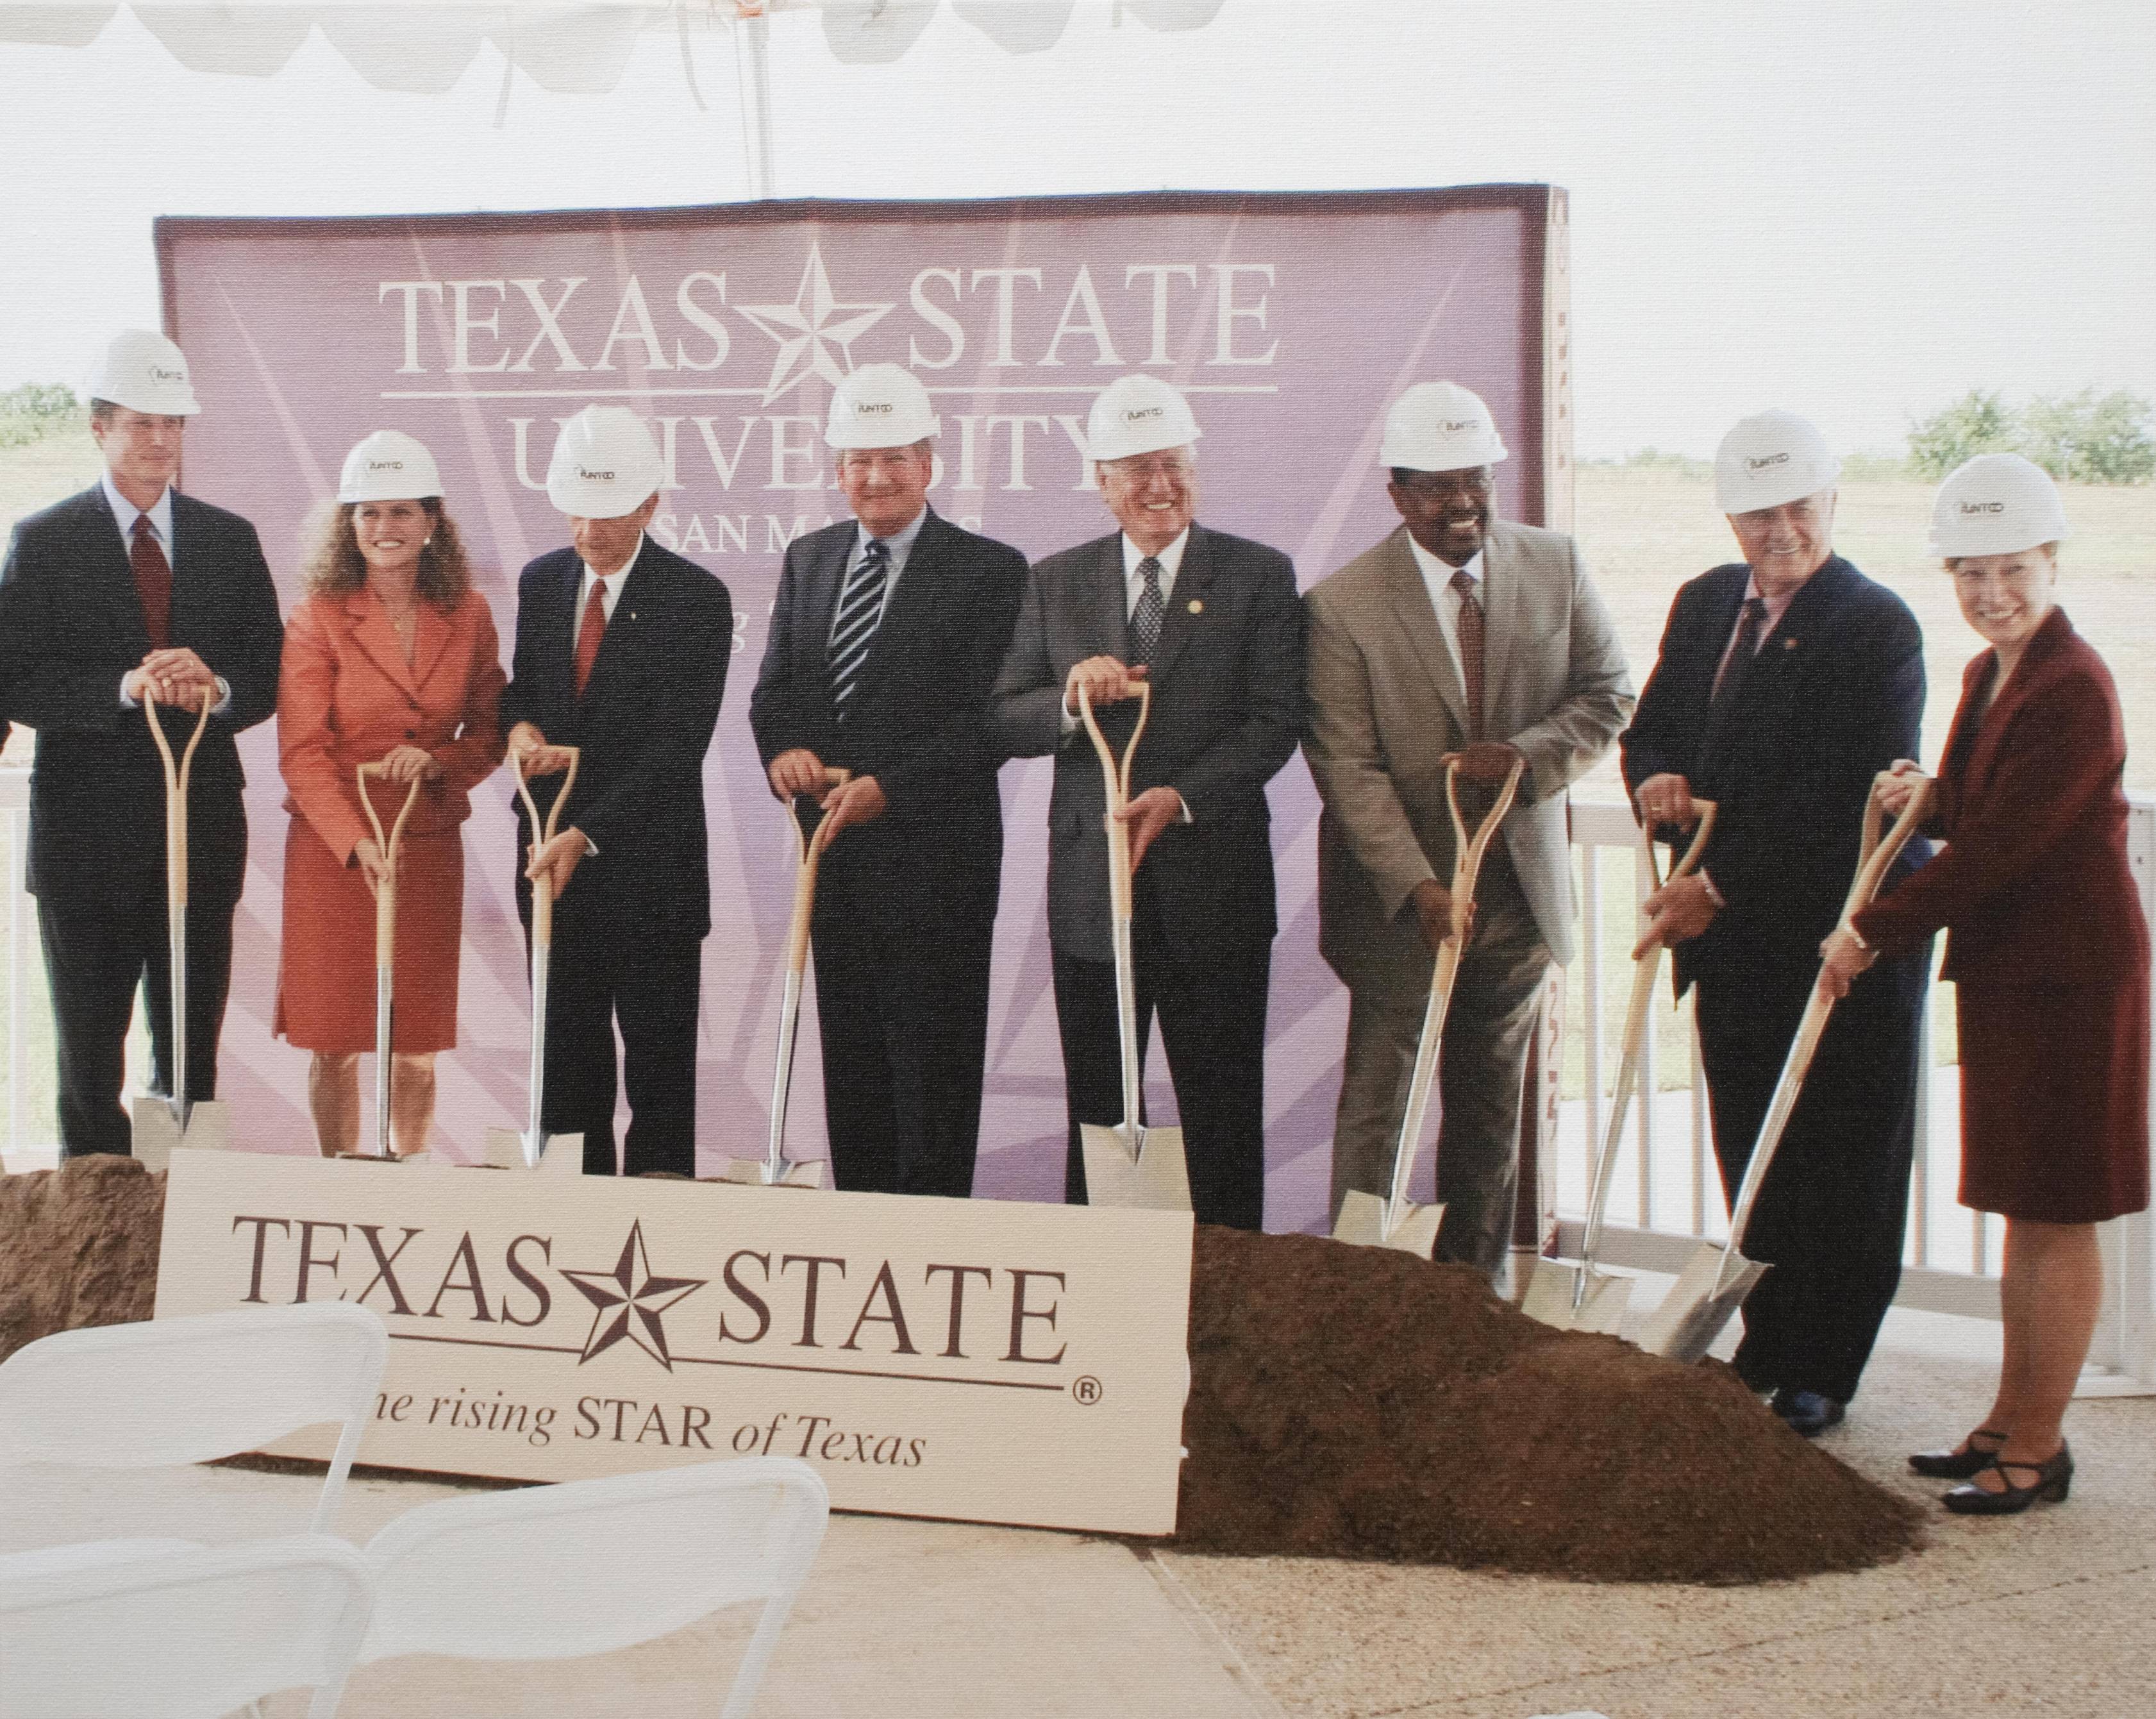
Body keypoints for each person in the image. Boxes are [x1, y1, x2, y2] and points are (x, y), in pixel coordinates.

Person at [1819, 455, 2146, 1509]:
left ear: (2052, 561)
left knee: (2056, 1208)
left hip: (2072, 977)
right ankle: (2007, 1420)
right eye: (1966, 571)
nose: (1987, 592)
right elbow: (1977, 799)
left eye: (2009, 567)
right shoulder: (1986, 673)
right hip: (2012, 974)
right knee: (2019, 1201)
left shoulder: (2073, 685)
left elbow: (2003, 843)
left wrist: (1867, 932)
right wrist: (1929, 791)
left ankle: (2038, 1446)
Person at [1624, 408, 1929, 1437]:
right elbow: (1653, 726)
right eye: (1756, 513)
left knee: (1840, 1153)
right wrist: (1654, 775)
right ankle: (1768, 1337)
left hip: (1831, 936)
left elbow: (1845, 795)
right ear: (1728, 517)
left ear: (1831, 501)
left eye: (1797, 506)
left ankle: (1823, 1368)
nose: (1778, 531)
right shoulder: (1706, 603)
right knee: (1750, 1141)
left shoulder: (1873, 624)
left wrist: (1720, 884)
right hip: (1731, 952)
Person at [1305, 381, 1633, 1278]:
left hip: (1517, 899)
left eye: (1476, 479)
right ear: (1397, 494)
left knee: (1488, 1109)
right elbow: (1347, 768)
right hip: (1398, 905)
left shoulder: (1553, 565)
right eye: (1437, 485)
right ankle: (1360, 1289)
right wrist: (1416, 886)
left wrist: (1524, 758)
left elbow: (1608, 695)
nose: (1462, 503)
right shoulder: (1341, 606)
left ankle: (1469, 1294)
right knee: (1380, 1105)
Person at [990, 376, 1303, 1229]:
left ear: (1194, 466)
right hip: (1094, 894)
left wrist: (1183, 795)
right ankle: (1097, 1304)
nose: (1156, 485)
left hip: (1216, 891)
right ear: (1099, 480)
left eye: (1170, 464)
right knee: (1099, 1117)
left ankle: (1228, 1308)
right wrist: (1067, 695)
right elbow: (1002, 717)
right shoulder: (1055, 582)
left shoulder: (1256, 576)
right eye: (1134, 469)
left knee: (1222, 1116)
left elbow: (1275, 720)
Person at [0, 330, 282, 1158]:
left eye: (175, 422)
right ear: (98, 427)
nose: (162, 439)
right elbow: (13, 680)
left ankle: (182, 1233)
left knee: (190, 1061)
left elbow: (268, 671)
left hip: (198, 834)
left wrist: (217, 686)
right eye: (142, 422)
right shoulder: (43, 542)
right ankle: (95, 1250)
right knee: (89, 1063)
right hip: (83, 841)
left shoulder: (229, 539)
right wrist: (124, 686)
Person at [749, 364, 1027, 1198]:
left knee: (932, 1086)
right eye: (857, 460)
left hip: (936, 869)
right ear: (837, 470)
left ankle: (932, 1250)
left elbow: (988, 720)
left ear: (928, 463)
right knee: (856, 1080)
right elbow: (776, 688)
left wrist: (889, 787)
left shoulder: (989, 570)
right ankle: (858, 1244)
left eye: (893, 458)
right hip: (832, 866)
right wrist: (784, 753)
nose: (873, 477)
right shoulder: (810, 559)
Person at [501, 406, 731, 1178]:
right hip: (549, 870)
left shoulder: (696, 597)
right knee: (566, 1073)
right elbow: (522, 694)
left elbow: (676, 750)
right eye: (576, 508)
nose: (589, 529)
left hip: (649, 877)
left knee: (660, 1078)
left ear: (650, 505)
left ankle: (660, 1242)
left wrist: (586, 830)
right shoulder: (542, 581)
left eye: (608, 512)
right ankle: (571, 1231)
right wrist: (522, 732)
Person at [273, 433, 506, 1157]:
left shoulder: (468, 613)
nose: (385, 528)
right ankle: (338, 1179)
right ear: (348, 523)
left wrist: (436, 761)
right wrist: (355, 838)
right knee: (335, 1039)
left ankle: (407, 1180)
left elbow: (490, 734)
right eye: (369, 512)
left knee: (416, 1042)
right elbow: (302, 752)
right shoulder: (317, 615)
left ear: (433, 522)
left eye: (402, 511)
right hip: (335, 847)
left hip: (426, 842)